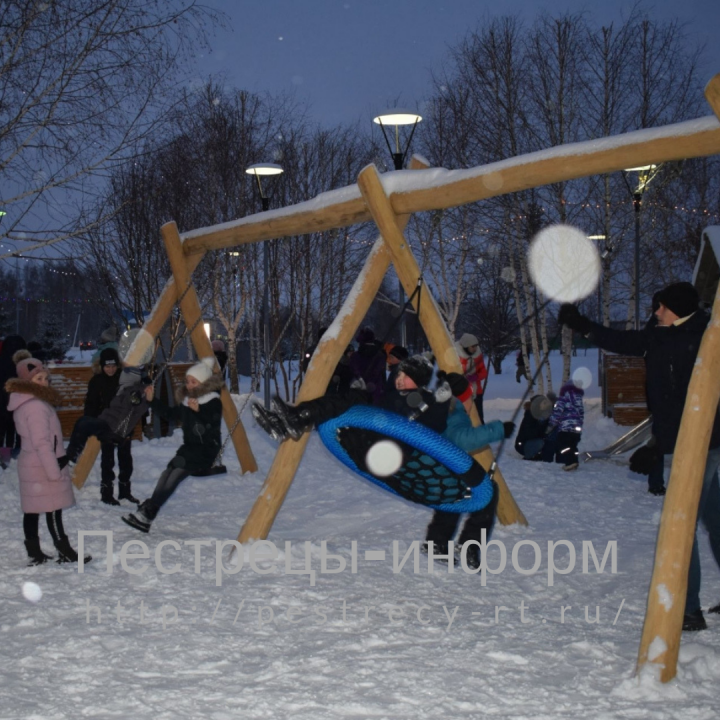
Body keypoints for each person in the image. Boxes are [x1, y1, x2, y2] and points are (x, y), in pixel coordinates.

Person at [558, 281, 720, 631]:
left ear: (676, 308)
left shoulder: (704, 339)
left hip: (701, 442)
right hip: (678, 438)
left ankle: (688, 609)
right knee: (715, 518)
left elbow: (688, 402)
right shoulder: (660, 334)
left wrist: (659, 445)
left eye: (660, 306)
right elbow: (623, 342)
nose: (655, 312)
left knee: (683, 522)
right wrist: (581, 324)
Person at [5, 351, 91, 565]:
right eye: (38, 379)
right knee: (53, 508)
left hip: (32, 463)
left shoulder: (25, 403)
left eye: (45, 378)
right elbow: (42, 443)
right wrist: (54, 472)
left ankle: (34, 553)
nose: (44, 382)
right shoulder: (35, 407)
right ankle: (65, 551)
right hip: (43, 465)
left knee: (32, 510)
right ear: (26, 382)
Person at [423, 371, 515, 568]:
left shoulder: (439, 407)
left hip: (437, 472)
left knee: (456, 496)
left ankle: (437, 543)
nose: (471, 401)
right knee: (487, 493)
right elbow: (464, 439)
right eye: (469, 397)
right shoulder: (453, 411)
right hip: (442, 473)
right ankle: (469, 546)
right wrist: (499, 430)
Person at [122, 358, 223, 533]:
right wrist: (153, 400)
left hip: (206, 450)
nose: (189, 385)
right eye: (187, 381)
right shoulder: (187, 401)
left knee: (175, 475)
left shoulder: (213, 401)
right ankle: (147, 514)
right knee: (167, 473)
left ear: (204, 383)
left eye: (194, 381)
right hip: (190, 448)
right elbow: (170, 414)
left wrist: (198, 412)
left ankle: (148, 512)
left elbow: (211, 424)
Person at [254, 354, 449, 441]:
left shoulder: (425, 400)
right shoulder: (398, 393)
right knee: (345, 398)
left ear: (420, 381)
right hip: (373, 428)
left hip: (384, 443)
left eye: (406, 377)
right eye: (399, 374)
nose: (399, 379)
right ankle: (290, 420)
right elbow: (383, 403)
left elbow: (435, 428)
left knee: (350, 400)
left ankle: (296, 419)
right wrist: (363, 391)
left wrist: (440, 403)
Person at [65, 364, 151, 464]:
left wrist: (119, 434)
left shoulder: (133, 393)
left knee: (83, 423)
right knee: (83, 421)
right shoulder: (124, 390)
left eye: (123, 375)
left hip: (112, 428)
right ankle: (74, 453)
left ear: (129, 377)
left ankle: (72, 456)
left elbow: (132, 410)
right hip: (107, 422)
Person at [84, 348, 138, 505]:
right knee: (108, 461)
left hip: (124, 425)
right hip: (105, 425)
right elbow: (91, 404)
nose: (111, 369)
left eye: (113, 366)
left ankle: (125, 490)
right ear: (101, 366)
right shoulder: (96, 381)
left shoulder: (125, 379)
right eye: (107, 366)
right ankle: (106, 493)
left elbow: (133, 399)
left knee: (126, 460)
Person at [541, 380, 584, 470]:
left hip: (565, 427)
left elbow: (557, 412)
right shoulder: (579, 399)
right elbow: (581, 414)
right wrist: (579, 426)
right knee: (573, 445)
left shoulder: (563, 398)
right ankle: (574, 461)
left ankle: (570, 462)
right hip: (576, 429)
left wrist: (551, 424)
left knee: (563, 445)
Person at [0, 334, 27, 466]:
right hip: (18, 400)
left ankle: (3, 456)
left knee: (2, 427)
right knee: (14, 426)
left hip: (1, 399)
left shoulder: (1, 360)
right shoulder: (23, 364)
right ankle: (13, 453)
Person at [455, 333, 488, 423]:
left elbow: (484, 372)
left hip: (477, 392)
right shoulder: (456, 357)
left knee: (479, 418)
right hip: (462, 393)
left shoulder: (478, 356)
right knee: (463, 418)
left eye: (476, 346)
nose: (475, 348)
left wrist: (476, 376)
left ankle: (481, 435)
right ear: (466, 347)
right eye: (472, 346)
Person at [349, 327, 388, 404]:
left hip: (358, 392)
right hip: (376, 393)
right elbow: (381, 375)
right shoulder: (381, 356)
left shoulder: (355, 356)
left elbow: (352, 372)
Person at [514, 395, 553, 460]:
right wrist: (542, 430)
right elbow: (528, 433)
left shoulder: (544, 415)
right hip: (523, 444)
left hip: (534, 441)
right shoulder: (530, 415)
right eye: (543, 403)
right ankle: (529, 456)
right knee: (540, 442)